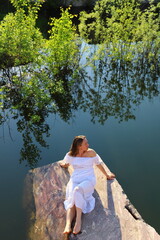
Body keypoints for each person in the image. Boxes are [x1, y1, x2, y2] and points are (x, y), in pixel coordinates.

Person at [60, 135, 115, 236]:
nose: (88, 145)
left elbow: (98, 164)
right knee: (71, 200)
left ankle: (78, 221)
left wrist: (107, 175)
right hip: (75, 179)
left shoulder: (91, 153)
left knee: (77, 191)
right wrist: (63, 165)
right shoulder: (70, 155)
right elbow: (67, 163)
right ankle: (68, 225)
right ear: (79, 146)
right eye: (86, 143)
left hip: (88, 179)